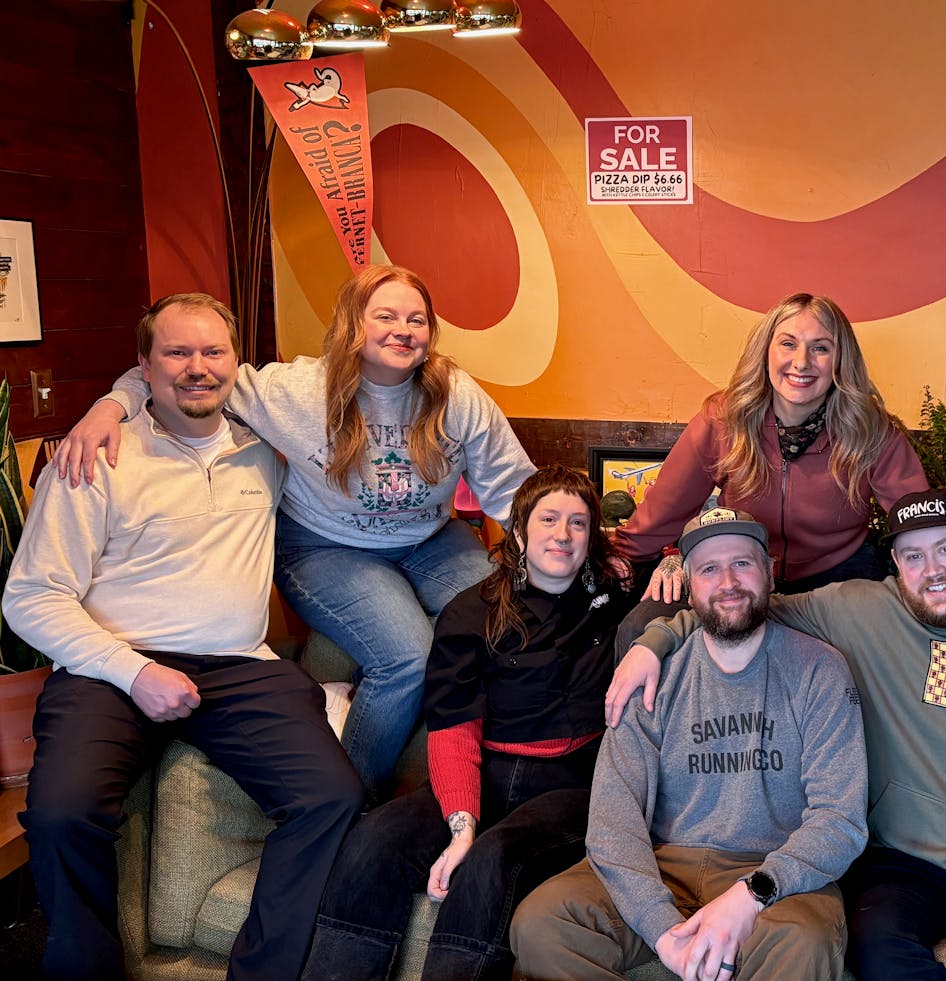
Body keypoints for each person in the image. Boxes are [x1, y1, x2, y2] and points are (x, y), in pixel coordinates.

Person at [55, 264, 536, 796]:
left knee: (514, 617)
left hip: (430, 540)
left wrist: (571, 555)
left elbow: (512, 489)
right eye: (386, 316)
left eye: (416, 319)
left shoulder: (456, 395)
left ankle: (489, 781)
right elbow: (181, 374)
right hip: (326, 548)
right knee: (408, 659)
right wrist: (107, 408)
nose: (404, 329)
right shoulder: (295, 390)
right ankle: (354, 804)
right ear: (354, 323)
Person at [4, 294, 365, 981]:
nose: (197, 368)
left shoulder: (268, 451)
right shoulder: (94, 456)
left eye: (213, 352)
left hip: (236, 665)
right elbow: (29, 595)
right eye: (176, 353)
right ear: (144, 366)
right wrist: (133, 671)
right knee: (60, 813)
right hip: (111, 666)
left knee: (330, 797)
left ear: (237, 363)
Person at [611, 489, 946, 980]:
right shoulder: (862, 611)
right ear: (896, 564)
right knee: (882, 960)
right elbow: (739, 605)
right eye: (914, 556)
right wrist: (655, 641)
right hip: (900, 863)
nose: (933, 571)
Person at [301, 466, 635, 981]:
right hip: (487, 772)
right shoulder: (469, 611)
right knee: (372, 843)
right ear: (520, 531)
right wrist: (462, 825)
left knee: (491, 859)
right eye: (548, 518)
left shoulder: (615, 602)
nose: (563, 534)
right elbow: (454, 730)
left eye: (578, 522)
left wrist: (675, 566)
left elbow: (690, 595)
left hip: (574, 784)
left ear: (592, 537)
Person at [511, 509, 868, 981]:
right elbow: (613, 819)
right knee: (542, 922)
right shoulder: (651, 674)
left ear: (769, 571)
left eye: (742, 563)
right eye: (708, 569)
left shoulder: (820, 670)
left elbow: (839, 820)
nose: (728, 581)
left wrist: (754, 893)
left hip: (773, 876)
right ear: (689, 585)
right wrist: (662, 930)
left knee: (805, 941)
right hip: (663, 865)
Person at [613, 292, 946, 648]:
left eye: (820, 348)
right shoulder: (722, 420)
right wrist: (608, 565)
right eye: (788, 343)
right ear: (765, 351)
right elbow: (656, 521)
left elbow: (932, 524)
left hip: (839, 580)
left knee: (880, 652)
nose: (801, 363)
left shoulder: (871, 432)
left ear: (840, 360)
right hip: (742, 574)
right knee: (640, 628)